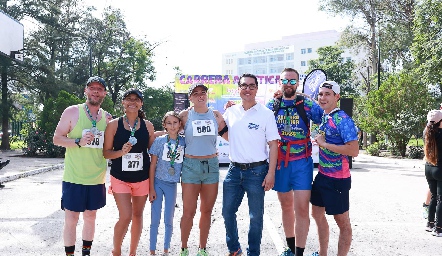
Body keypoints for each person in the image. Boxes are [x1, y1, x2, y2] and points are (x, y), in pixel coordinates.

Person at [266, 68, 323, 256]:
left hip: (302, 163)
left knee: (301, 208)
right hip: (281, 163)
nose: (288, 84)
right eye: (285, 80)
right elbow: (255, 121)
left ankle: (299, 252)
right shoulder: (272, 105)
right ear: (280, 82)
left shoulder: (305, 103)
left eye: (292, 81)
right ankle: (290, 250)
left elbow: (325, 118)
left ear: (297, 83)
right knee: (286, 206)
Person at [222, 73, 280, 256]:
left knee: (255, 217)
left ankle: (253, 252)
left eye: (251, 86)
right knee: (227, 213)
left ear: (256, 89)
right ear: (239, 89)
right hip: (233, 171)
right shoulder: (230, 112)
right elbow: (227, 135)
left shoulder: (266, 114)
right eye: (244, 86)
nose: (247, 89)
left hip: (257, 171)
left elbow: (273, 144)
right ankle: (234, 249)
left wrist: (271, 174)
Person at [53, 76, 109, 256]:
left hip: (96, 178)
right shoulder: (72, 112)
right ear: (85, 91)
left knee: (91, 217)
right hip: (74, 177)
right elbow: (57, 138)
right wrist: (78, 141)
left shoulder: (107, 118)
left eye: (99, 89)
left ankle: (86, 253)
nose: (95, 91)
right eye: (92, 87)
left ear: (104, 94)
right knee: (71, 218)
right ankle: (69, 254)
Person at [103, 88, 155, 256]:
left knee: (138, 215)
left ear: (141, 103)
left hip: (141, 178)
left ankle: (132, 253)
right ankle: (116, 250)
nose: (132, 102)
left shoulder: (148, 126)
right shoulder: (113, 125)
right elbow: (106, 152)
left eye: (136, 99)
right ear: (123, 103)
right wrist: (121, 153)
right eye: (129, 99)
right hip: (120, 177)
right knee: (126, 216)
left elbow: (152, 152)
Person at [310, 81, 359, 256]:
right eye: (321, 94)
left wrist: (325, 144)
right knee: (316, 214)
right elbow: (308, 100)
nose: (323, 97)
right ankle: (322, 253)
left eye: (327, 94)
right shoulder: (326, 115)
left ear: (337, 97)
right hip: (322, 175)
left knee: (343, 223)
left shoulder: (342, 119)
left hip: (338, 179)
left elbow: (354, 150)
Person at [178, 83, 226, 256]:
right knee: (188, 211)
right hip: (191, 166)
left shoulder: (216, 115)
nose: (200, 95)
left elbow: (230, 136)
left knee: (206, 210)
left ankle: (202, 248)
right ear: (190, 97)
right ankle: (183, 248)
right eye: (195, 93)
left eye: (203, 92)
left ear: (207, 95)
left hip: (211, 166)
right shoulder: (185, 115)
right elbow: (171, 133)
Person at [148, 111, 185, 256]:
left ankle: (166, 249)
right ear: (164, 125)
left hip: (172, 184)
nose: (172, 126)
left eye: (175, 122)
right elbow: (152, 165)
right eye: (169, 123)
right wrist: (151, 188)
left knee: (169, 217)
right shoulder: (159, 141)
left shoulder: (183, 141)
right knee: (155, 218)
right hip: (158, 182)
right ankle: (152, 250)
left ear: (180, 124)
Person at [423, 109, 442, 236]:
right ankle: (439, 228)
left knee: (434, 196)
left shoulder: (426, 132)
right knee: (441, 198)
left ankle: (430, 223)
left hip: (428, 168)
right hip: (439, 168)